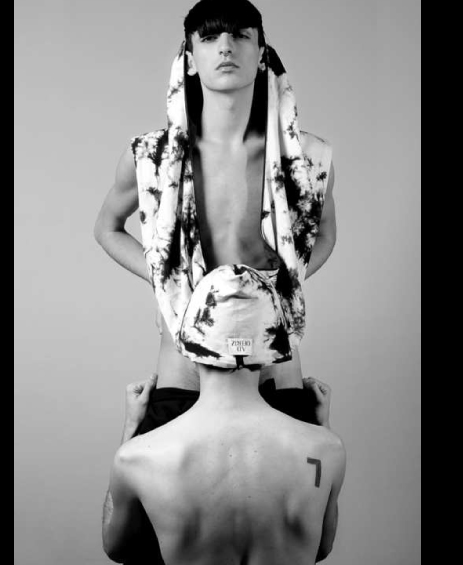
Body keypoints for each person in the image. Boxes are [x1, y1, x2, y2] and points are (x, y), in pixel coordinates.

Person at [93, 0, 337, 397]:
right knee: (167, 437)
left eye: (240, 36)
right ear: (190, 60)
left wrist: (286, 282)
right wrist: (165, 277)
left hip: (272, 355)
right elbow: (106, 228)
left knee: (286, 438)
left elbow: (324, 234)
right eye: (209, 38)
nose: (225, 46)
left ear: (261, 55)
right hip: (186, 355)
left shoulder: (306, 159)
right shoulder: (152, 157)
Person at [101, 266, 346, 564]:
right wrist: (320, 425)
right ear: (272, 353)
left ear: (188, 348)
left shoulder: (137, 458)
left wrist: (131, 428)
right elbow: (322, 548)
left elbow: (117, 548)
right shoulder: (327, 450)